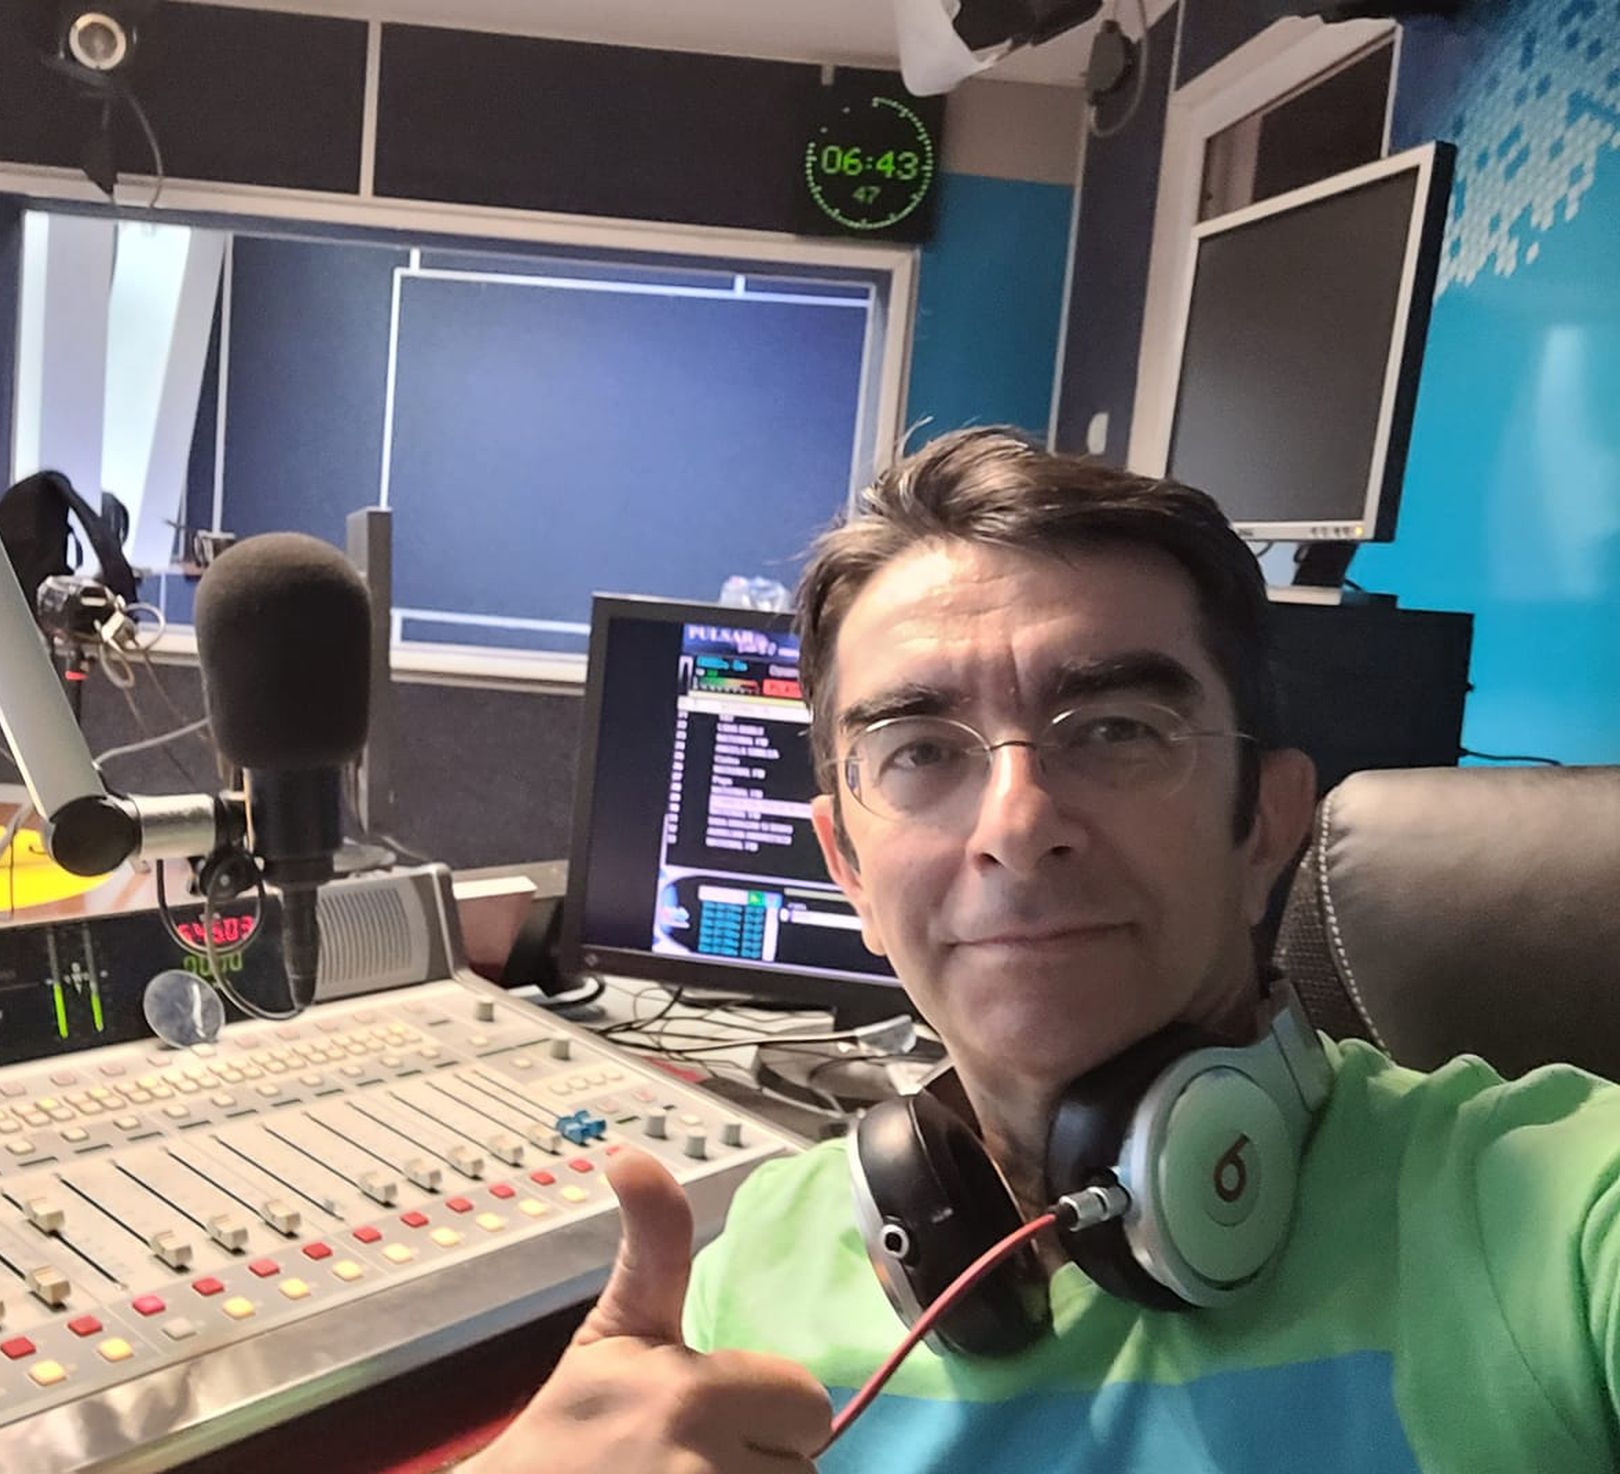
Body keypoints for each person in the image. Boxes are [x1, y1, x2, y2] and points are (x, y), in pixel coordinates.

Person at [465, 429, 1620, 1472]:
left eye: (1116, 729)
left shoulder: (1557, 1213)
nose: (1017, 826)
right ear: (850, 869)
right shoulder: (748, 1273)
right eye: (921, 751)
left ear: (1266, 824)